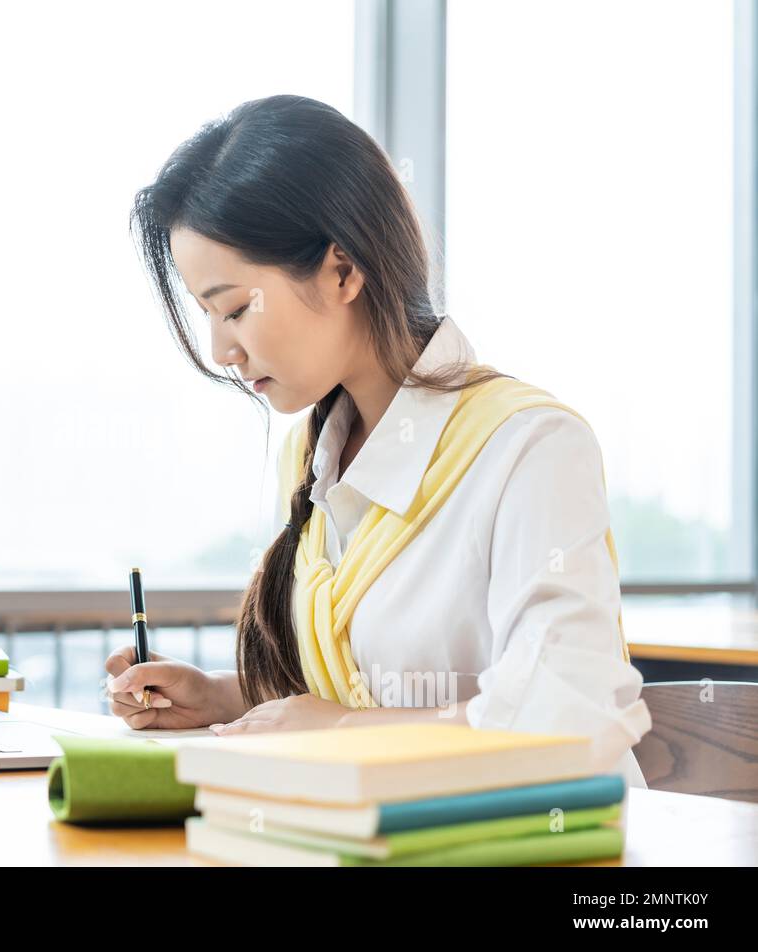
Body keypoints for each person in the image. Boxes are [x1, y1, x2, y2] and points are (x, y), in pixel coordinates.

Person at [106, 94, 650, 787]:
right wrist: (221, 698)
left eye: (236, 308)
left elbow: (565, 719)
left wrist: (338, 733)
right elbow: (367, 691)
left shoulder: (529, 448)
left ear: (342, 270)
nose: (221, 350)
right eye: (209, 315)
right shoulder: (310, 458)